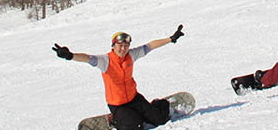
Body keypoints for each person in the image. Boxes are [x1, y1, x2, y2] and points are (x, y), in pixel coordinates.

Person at [52, 25, 185, 130]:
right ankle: (114, 120)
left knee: (160, 120)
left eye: (126, 46)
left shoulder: (131, 55)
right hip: (118, 105)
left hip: (134, 98)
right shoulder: (105, 60)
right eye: (120, 45)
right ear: (113, 45)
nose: (123, 49)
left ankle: (154, 106)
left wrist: (170, 39)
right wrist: (70, 55)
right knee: (134, 126)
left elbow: (150, 46)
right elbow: (87, 58)